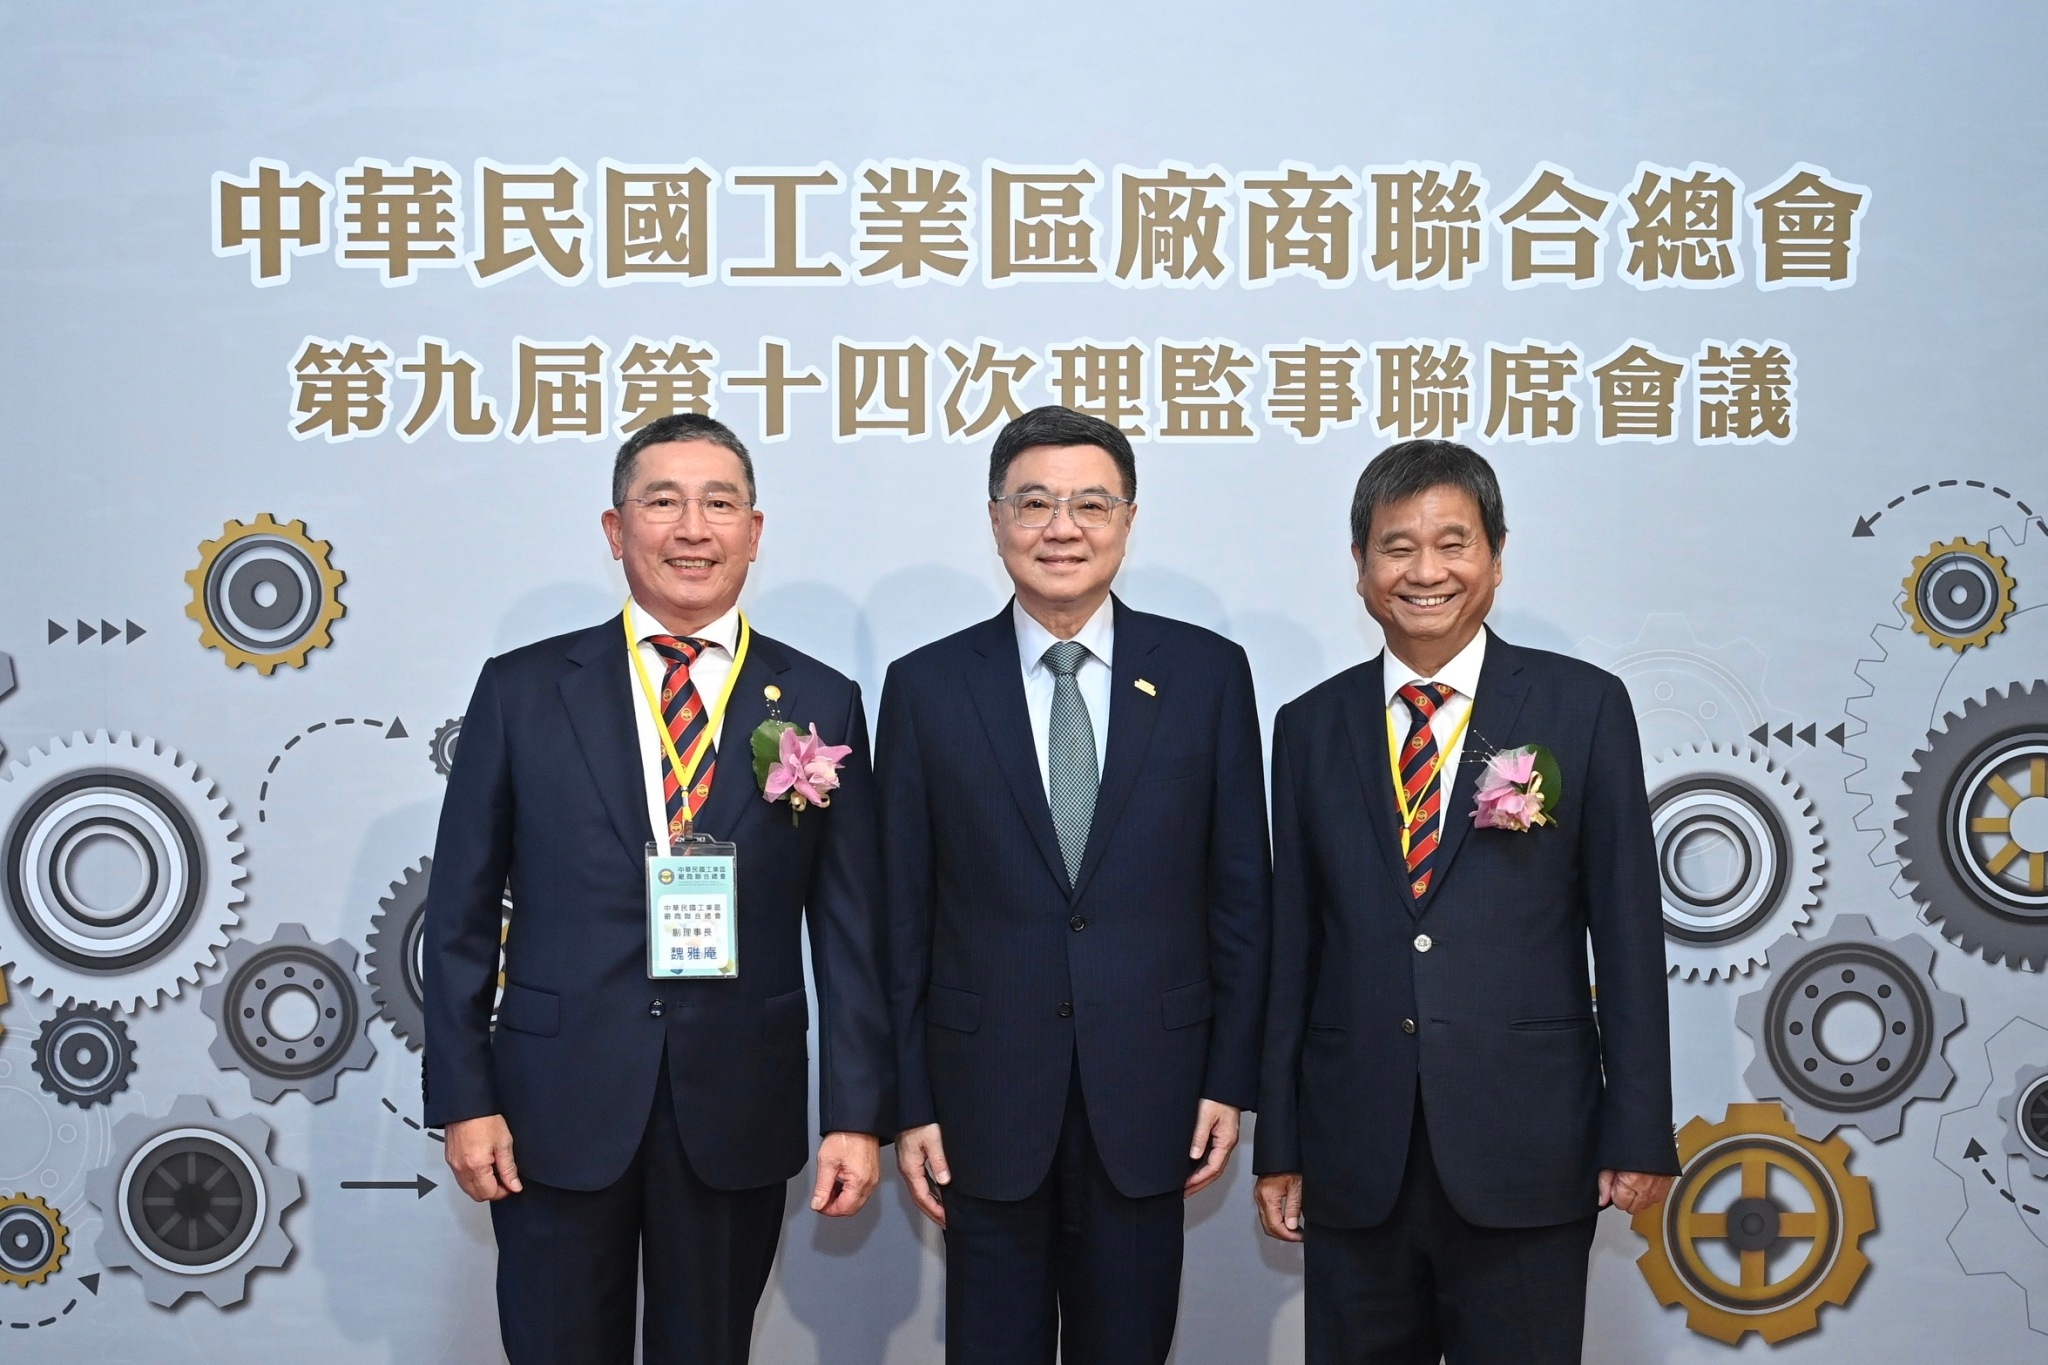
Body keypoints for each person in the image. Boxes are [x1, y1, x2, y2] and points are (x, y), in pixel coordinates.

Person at [422, 412, 892, 1365]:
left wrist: (855, 1113)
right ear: (615, 528)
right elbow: (462, 915)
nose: (692, 529)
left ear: (753, 532)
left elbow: (851, 933)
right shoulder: (522, 689)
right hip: (554, 1104)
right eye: (662, 501)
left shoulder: (819, 699)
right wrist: (464, 1096)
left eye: (719, 504)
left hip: (736, 1102)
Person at [1253, 438, 1678, 1364]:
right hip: (1355, 1149)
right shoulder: (1308, 726)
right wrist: (1280, 1141)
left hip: (1529, 1142)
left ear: (1496, 554)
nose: (1426, 571)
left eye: (1453, 542)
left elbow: (1628, 933)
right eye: (1397, 546)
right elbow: (1294, 949)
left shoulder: (1582, 706)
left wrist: (1640, 1127)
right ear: (1360, 563)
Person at [877, 404, 1271, 1365]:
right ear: (996, 519)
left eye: (1091, 504)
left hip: (1153, 1092)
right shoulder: (926, 686)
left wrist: (1228, 1078)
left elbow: (1240, 899)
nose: (1063, 527)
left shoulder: (1207, 674)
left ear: (1128, 521)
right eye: (1035, 503)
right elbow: (901, 915)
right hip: (981, 1102)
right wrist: (911, 1099)